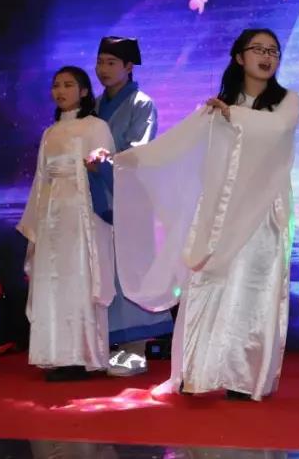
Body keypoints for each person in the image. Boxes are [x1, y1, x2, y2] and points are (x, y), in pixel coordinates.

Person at [113, 28, 299, 401]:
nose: (266, 56)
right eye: (258, 49)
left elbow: (278, 128)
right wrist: (133, 160)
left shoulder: (287, 102)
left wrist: (235, 115)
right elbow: (180, 144)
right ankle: (196, 372)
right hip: (219, 213)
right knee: (207, 286)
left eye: (273, 51)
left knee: (252, 291)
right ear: (239, 57)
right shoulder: (217, 108)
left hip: (263, 214)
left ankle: (243, 378)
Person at [17, 67, 116, 382]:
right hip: (52, 214)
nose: (60, 91)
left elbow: (109, 169)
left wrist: (96, 167)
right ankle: (55, 353)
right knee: (53, 281)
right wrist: (34, 223)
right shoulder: (49, 133)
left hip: (82, 214)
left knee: (79, 280)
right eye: (56, 85)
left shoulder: (96, 126)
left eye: (69, 85)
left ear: (84, 91)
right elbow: (40, 179)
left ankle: (81, 356)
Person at [93, 36, 172, 377]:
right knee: (105, 269)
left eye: (112, 63)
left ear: (129, 67)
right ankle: (109, 345)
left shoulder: (142, 104)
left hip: (130, 196)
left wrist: (104, 163)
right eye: (100, 62)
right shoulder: (95, 106)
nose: (103, 69)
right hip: (98, 196)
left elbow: (139, 152)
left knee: (132, 268)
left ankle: (136, 350)